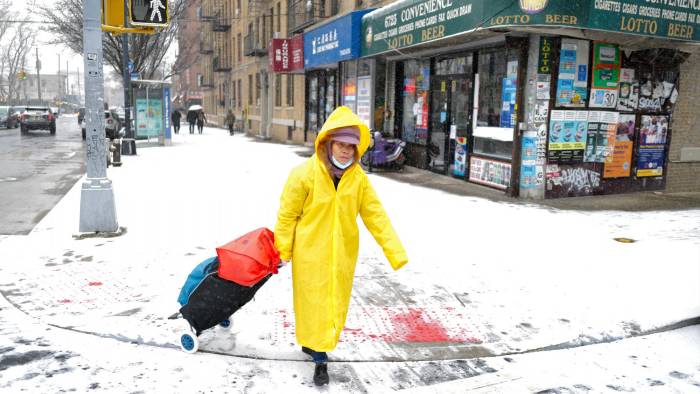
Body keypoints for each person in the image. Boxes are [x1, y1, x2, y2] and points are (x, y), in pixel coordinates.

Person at [274, 106, 408, 387]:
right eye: (341, 145)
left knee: (333, 303)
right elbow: (287, 215)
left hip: (342, 254)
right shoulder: (304, 174)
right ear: (328, 142)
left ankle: (314, 345)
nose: (346, 152)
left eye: (351, 147)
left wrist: (394, 251)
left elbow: (376, 216)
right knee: (313, 304)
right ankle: (320, 357)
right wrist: (282, 250)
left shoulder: (358, 179)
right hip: (309, 254)